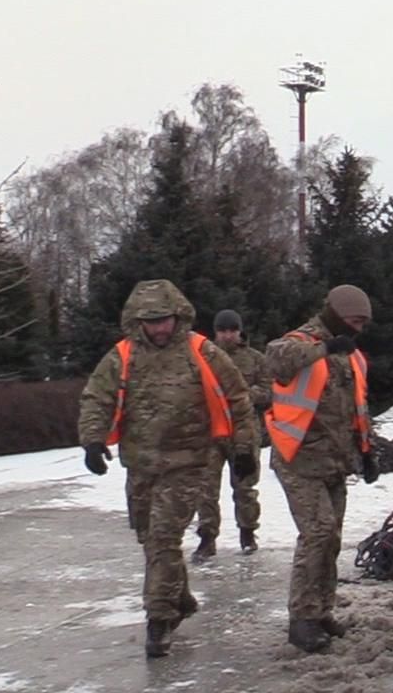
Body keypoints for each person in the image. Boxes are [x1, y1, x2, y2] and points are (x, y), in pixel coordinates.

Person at [77, 280, 259, 658]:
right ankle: (181, 598)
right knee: (149, 538)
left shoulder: (202, 352)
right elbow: (97, 397)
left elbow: (238, 398)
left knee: (163, 537)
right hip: (141, 465)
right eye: (151, 320)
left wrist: (243, 448)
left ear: (178, 316)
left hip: (188, 463)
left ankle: (159, 619)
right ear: (138, 320)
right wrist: (92, 440)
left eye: (165, 319)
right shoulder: (122, 356)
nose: (159, 327)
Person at [266, 284, 378, 654]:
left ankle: (321, 611)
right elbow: (275, 359)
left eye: (363, 323)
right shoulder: (301, 342)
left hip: (334, 461)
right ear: (336, 315)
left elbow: (358, 407)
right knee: (318, 533)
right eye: (354, 321)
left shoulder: (351, 356)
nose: (359, 329)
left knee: (331, 539)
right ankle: (301, 618)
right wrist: (324, 349)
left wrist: (368, 451)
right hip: (298, 458)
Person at [192, 309, 272, 560]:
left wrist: (243, 395)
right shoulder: (202, 357)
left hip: (243, 431)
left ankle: (248, 533)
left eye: (232, 330)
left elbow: (269, 391)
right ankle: (207, 538)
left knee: (245, 487)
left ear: (240, 331)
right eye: (222, 331)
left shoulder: (255, 359)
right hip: (210, 431)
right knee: (205, 489)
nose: (227, 336)